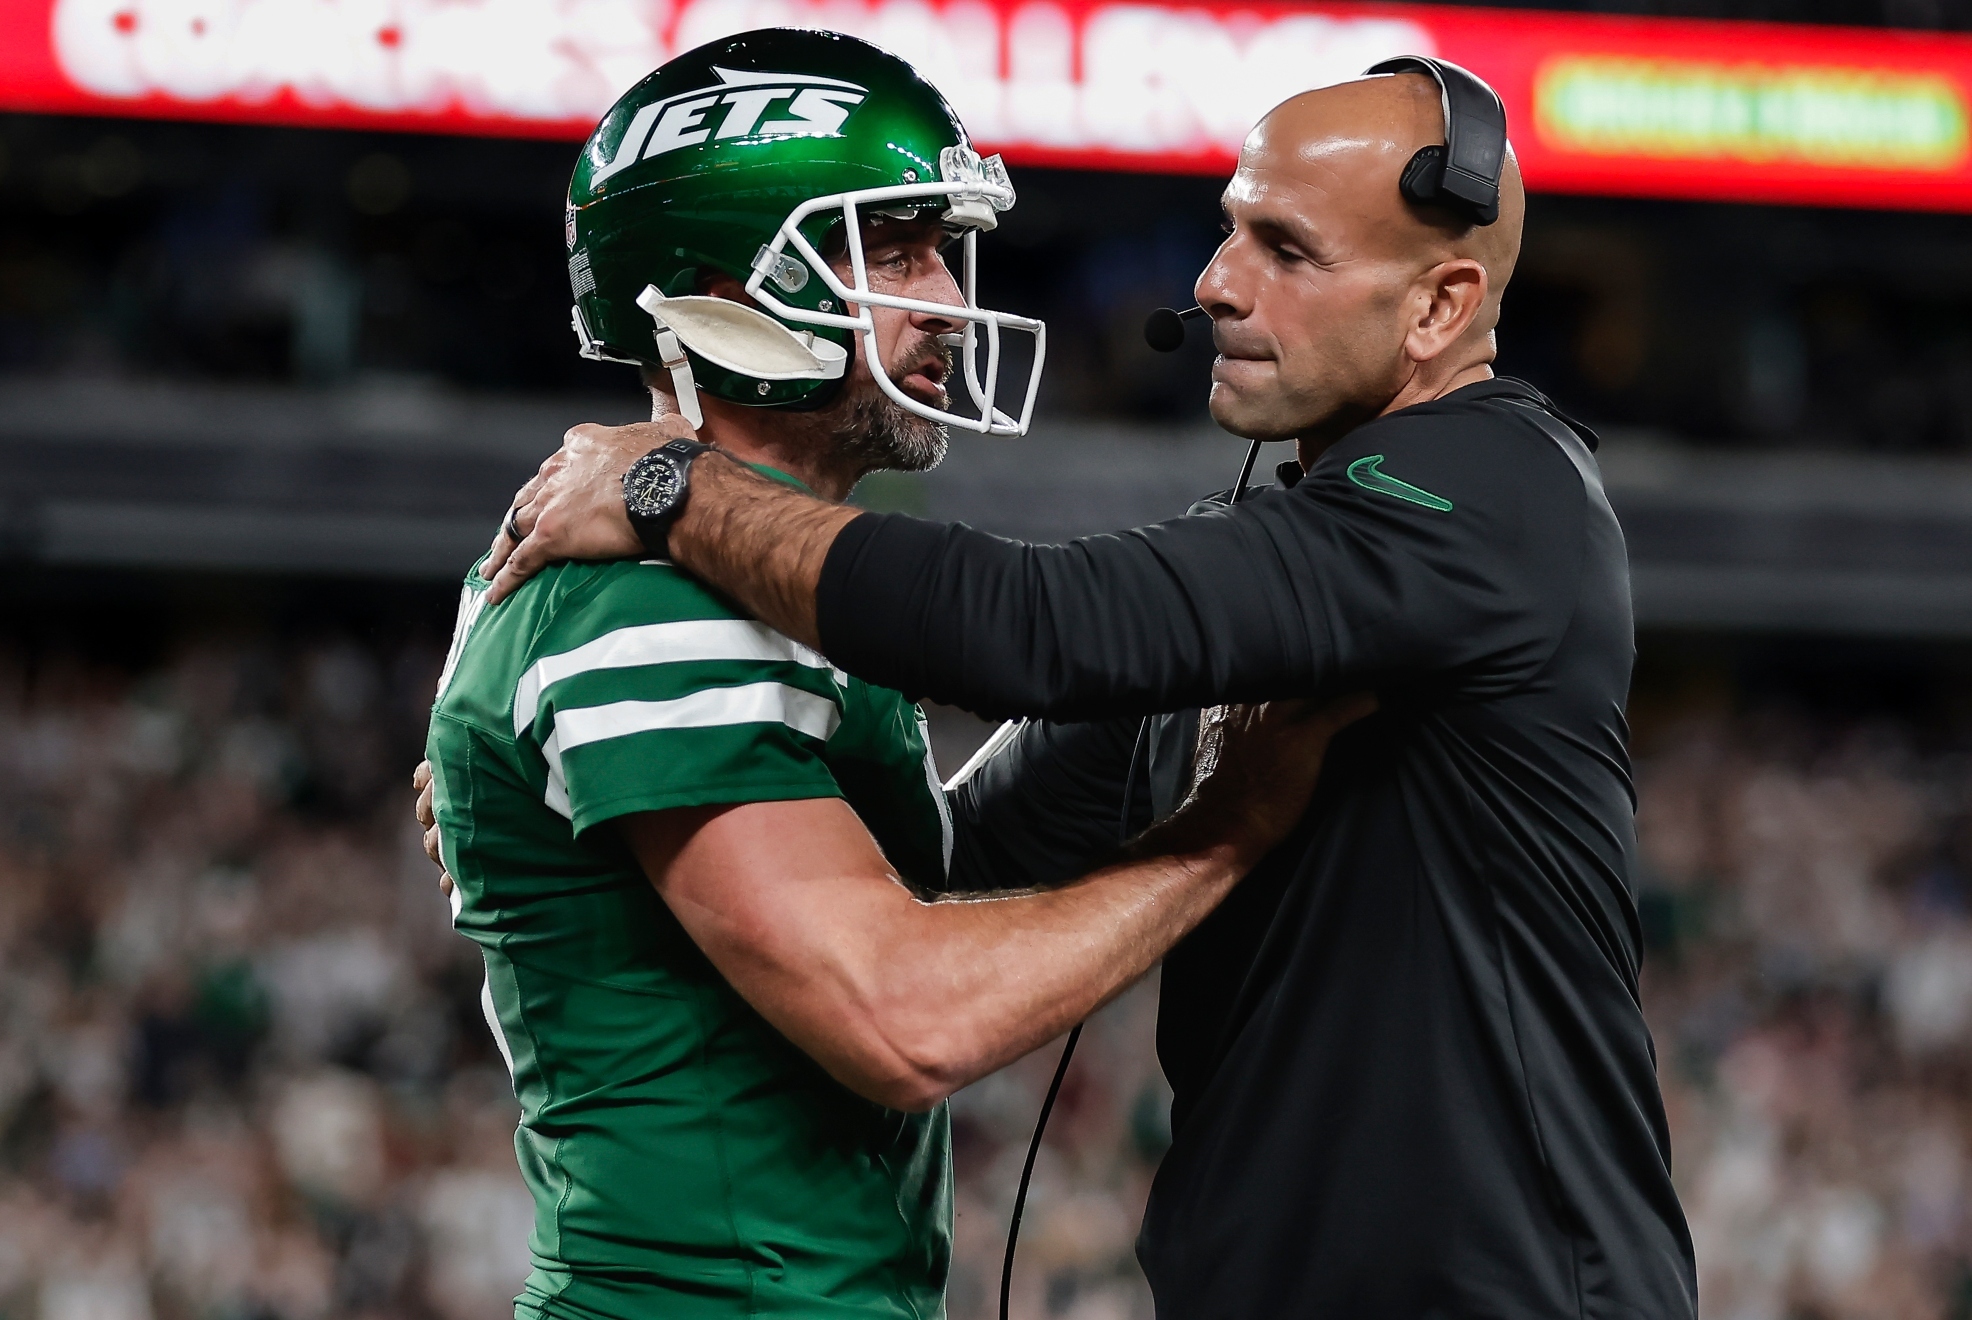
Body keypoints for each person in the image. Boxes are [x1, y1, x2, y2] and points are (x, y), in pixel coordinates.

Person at [478, 68, 1700, 1319]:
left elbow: (1034, 631)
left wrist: (669, 487)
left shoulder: (1497, 496)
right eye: (1232, 228)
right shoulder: (1288, 582)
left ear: (1443, 304)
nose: (1217, 282)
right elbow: (948, 853)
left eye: (1285, 247)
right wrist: (534, 801)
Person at [417, 29, 1367, 1320]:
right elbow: (901, 1017)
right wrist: (1230, 826)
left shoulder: (727, 573)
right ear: (720, 284)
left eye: (943, 248)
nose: (947, 300)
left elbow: (917, 864)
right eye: (892, 249)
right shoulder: (646, 599)